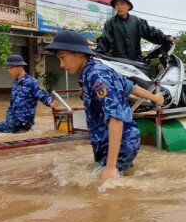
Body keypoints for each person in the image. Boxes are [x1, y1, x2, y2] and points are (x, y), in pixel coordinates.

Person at [46, 30, 164, 181]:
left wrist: (110, 167)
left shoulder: (97, 76)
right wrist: (155, 97)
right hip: (117, 142)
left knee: (104, 189)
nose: (61, 65)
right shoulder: (96, 70)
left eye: (63, 58)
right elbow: (131, 87)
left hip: (118, 142)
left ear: (79, 54)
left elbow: (116, 117)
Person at [95, 0, 176, 62]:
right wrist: (98, 54)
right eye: (116, 4)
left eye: (122, 4)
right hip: (118, 62)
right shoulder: (110, 23)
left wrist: (167, 38)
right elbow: (104, 40)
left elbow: (151, 32)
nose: (119, 7)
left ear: (129, 6)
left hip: (136, 62)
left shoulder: (137, 21)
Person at [0, 55, 61, 133]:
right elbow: (12, 103)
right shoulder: (15, 83)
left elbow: (42, 95)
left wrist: (50, 102)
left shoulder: (31, 82)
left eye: (11, 68)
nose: (9, 70)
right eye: (8, 68)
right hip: (12, 122)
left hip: (22, 123)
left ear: (19, 66)